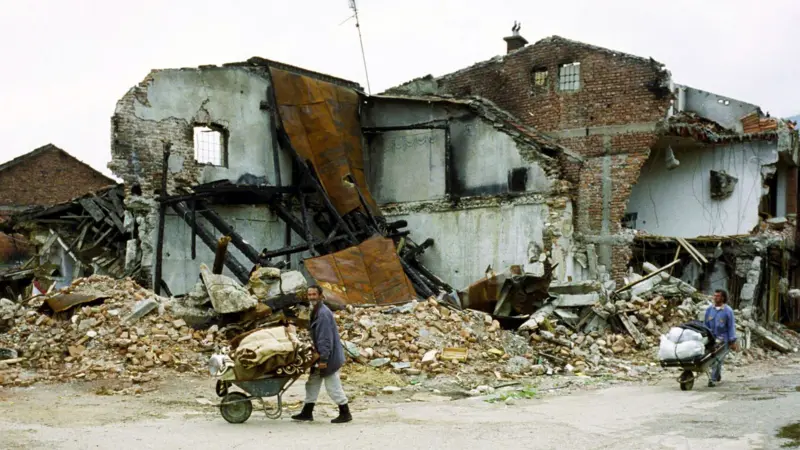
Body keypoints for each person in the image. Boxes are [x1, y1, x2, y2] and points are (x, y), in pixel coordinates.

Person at [291, 285, 352, 423]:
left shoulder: (323, 314)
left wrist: (323, 359)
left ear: (320, 295)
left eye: (314, 294)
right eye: (310, 295)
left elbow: (325, 339)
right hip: (321, 355)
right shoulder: (317, 310)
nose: (311, 297)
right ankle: (307, 412)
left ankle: (345, 412)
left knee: (333, 386)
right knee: (312, 383)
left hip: (328, 357)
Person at [703, 289, 739, 387]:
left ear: (723, 298)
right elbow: (705, 324)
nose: (715, 298)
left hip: (723, 339)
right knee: (709, 358)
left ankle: (713, 379)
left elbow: (731, 326)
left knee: (718, 359)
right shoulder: (710, 309)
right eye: (714, 295)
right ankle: (717, 375)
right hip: (711, 338)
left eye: (718, 296)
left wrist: (732, 341)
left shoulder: (728, 311)